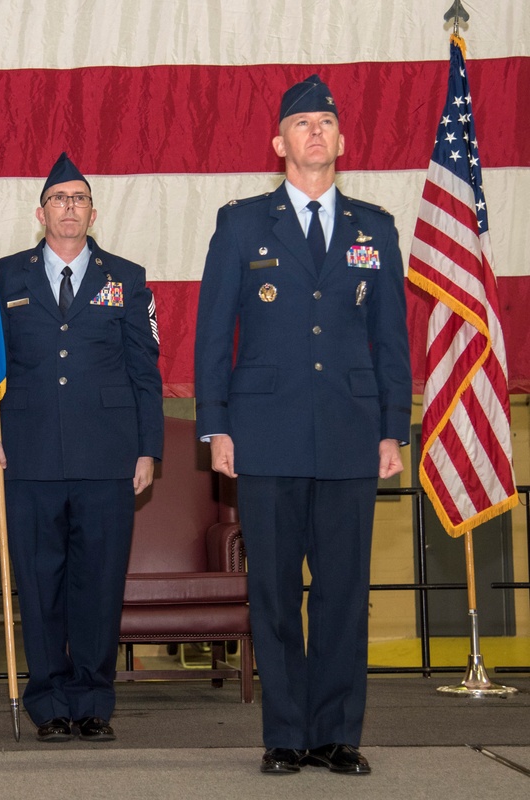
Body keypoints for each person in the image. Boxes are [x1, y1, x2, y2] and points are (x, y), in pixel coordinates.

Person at [194, 76, 411, 776]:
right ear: (278, 142)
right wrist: (215, 425)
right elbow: (211, 334)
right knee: (277, 593)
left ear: (341, 141)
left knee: (345, 595)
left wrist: (392, 429)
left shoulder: (373, 228)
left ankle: (336, 734)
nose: (314, 132)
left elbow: (392, 340)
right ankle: (285, 735)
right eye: (301, 123)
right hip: (265, 431)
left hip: (351, 434)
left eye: (325, 122)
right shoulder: (242, 224)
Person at [0, 152, 163, 742]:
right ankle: (48, 702)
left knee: (99, 579)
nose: (69, 208)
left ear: (94, 212)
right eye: (59, 199)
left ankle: (93, 699)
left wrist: (148, 448)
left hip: (106, 454)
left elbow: (146, 369)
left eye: (79, 199)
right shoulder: (1, 276)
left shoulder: (128, 278)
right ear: (40, 212)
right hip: (28, 451)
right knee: (40, 584)